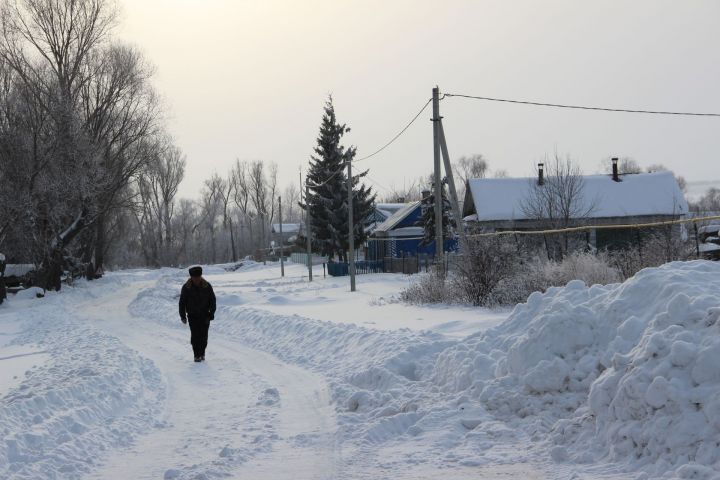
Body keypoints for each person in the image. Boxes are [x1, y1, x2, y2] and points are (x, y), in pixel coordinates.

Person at [178, 266, 216, 362]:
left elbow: (213, 300)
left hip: (205, 315)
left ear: (201, 276)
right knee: (195, 336)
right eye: (194, 277)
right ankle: (196, 355)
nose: (196, 279)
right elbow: (182, 302)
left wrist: (211, 313)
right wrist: (182, 316)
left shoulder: (207, 286)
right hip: (192, 315)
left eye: (198, 277)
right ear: (191, 277)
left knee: (204, 336)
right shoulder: (186, 287)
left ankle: (202, 353)